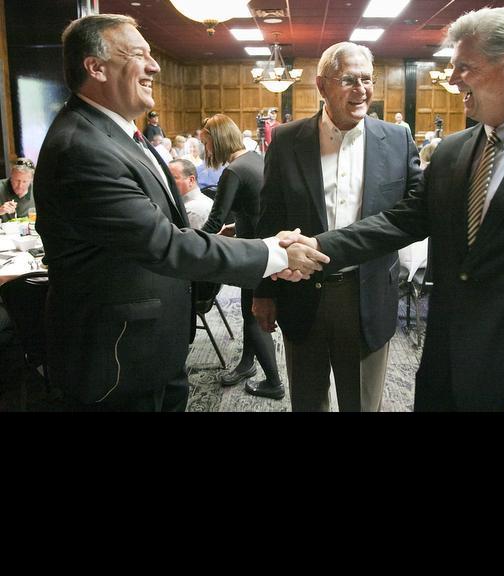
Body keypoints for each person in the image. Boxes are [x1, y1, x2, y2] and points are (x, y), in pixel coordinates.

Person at [277, 7, 504, 412]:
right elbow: (399, 221)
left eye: (464, 67)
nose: (453, 77)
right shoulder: (452, 152)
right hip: (442, 361)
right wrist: (314, 246)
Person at [33, 14, 327, 411]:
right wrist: (273, 253)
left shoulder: (115, 133)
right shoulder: (82, 148)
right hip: (115, 358)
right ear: (96, 67)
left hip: (148, 345)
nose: (154, 66)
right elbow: (165, 243)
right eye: (138, 55)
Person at [253, 42, 422, 412]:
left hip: (369, 293)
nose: (361, 89)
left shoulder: (397, 140)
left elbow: (415, 215)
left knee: (361, 404)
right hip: (301, 296)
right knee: (308, 402)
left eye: (367, 79)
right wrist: (263, 291)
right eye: (349, 79)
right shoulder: (285, 140)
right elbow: (269, 219)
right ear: (321, 85)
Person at [199, 114, 285, 399]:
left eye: (206, 144)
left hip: (255, 254)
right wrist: (238, 226)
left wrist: (185, 244)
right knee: (251, 308)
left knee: (252, 316)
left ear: (217, 140)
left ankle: (273, 383)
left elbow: (213, 223)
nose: (206, 151)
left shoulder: (233, 171)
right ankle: (247, 365)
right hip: (265, 245)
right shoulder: (255, 159)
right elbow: (257, 207)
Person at [168, 158, 212, 230]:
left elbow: (192, 240)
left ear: (191, 180)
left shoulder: (193, 211)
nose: (168, 182)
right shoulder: (205, 201)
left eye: (173, 178)